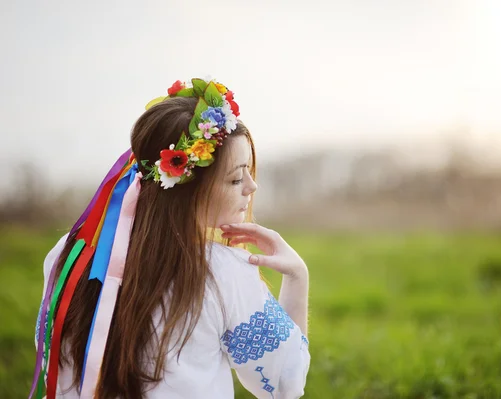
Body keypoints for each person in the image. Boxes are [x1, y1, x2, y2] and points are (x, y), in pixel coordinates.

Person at [30, 78, 310, 399]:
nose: (251, 186)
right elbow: (285, 384)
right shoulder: (223, 271)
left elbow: (51, 357)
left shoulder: (70, 253)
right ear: (187, 189)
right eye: (235, 178)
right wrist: (297, 275)